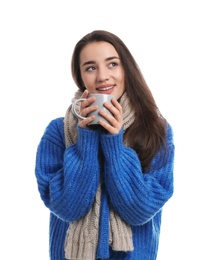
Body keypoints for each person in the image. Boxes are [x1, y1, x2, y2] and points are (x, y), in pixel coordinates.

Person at [35, 30, 175, 260]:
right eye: (90, 67)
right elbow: (68, 207)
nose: (102, 77)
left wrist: (114, 144)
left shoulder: (157, 131)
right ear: (80, 78)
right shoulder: (57, 132)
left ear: (126, 70)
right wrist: (86, 139)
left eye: (112, 64)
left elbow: (139, 209)